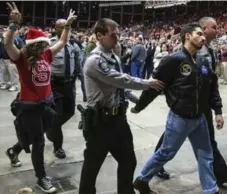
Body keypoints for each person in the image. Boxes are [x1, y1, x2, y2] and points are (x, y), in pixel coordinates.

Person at [131, 23, 223, 194]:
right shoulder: (173, 60)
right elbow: (155, 86)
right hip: (179, 118)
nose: (204, 38)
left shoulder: (202, 61)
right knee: (166, 152)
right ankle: (142, 180)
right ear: (187, 36)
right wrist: (139, 106)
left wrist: (218, 111)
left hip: (200, 118)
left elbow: (212, 86)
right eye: (199, 34)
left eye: (204, 34)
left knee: (205, 155)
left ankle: (210, 190)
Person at [78, 18, 164, 194]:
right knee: (92, 167)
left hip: (118, 120)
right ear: (99, 36)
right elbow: (120, 79)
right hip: (100, 122)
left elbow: (120, 88)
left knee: (128, 161)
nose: (117, 38)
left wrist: (137, 102)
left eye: (118, 34)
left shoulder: (114, 57)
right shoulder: (95, 60)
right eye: (113, 34)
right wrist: (147, 83)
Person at [4, 2, 76, 193]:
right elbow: (8, 44)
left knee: (36, 136)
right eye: (43, 42)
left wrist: (67, 26)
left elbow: (62, 42)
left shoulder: (46, 55)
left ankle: (14, 150)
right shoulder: (20, 57)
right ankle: (41, 178)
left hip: (46, 105)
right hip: (29, 108)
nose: (46, 44)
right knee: (39, 142)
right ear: (34, 45)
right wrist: (13, 25)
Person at [153, 17, 227, 186]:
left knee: (181, 140)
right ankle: (221, 176)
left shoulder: (206, 49)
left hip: (200, 105)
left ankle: (220, 175)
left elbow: (211, 83)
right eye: (213, 27)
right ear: (202, 29)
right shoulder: (194, 52)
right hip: (192, 106)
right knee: (175, 141)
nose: (216, 30)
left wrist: (217, 109)